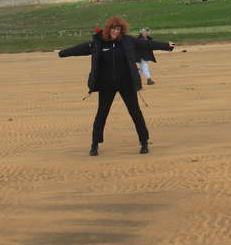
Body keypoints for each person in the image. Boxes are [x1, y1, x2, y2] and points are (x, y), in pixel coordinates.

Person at [57, 16, 174, 156]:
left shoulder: (128, 41)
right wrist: (63, 53)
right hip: (106, 85)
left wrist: (166, 45)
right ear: (108, 29)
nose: (116, 32)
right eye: (113, 29)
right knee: (102, 113)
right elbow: (80, 49)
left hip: (126, 83)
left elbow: (147, 44)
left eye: (118, 29)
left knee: (135, 112)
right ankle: (94, 144)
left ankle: (144, 142)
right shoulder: (99, 43)